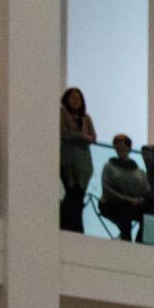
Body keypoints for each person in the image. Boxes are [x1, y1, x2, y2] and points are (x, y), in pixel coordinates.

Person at [99, 133, 149, 241]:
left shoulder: (139, 172)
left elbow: (146, 190)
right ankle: (127, 244)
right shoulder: (109, 167)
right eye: (117, 147)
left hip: (134, 205)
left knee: (149, 214)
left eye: (122, 146)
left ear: (129, 148)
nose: (120, 149)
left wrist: (140, 200)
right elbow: (107, 189)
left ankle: (141, 244)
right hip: (113, 204)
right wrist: (128, 200)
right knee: (124, 215)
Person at [58, 88, 95, 232]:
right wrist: (80, 137)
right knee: (72, 193)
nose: (76, 101)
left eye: (79, 98)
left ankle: (76, 226)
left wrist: (80, 137)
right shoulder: (62, 113)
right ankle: (69, 225)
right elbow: (63, 133)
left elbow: (93, 137)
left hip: (83, 162)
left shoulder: (86, 118)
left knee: (79, 195)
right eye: (73, 98)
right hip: (68, 159)